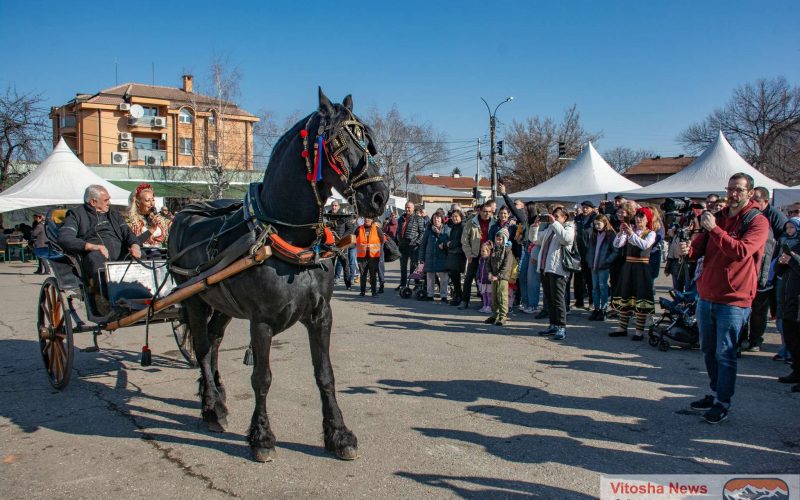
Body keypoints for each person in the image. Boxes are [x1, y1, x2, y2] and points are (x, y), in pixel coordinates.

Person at [680, 173, 770, 424]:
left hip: (734, 297)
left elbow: (740, 251)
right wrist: (688, 249)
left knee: (725, 352)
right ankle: (714, 391)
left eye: (739, 190)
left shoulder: (757, 221)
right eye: (730, 189)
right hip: (707, 293)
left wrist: (714, 229)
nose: (733, 194)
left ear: (750, 193)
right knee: (708, 350)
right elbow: (699, 249)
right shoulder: (718, 218)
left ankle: (723, 401)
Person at [58, 185, 141, 313]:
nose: (110, 203)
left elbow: (128, 234)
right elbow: (65, 238)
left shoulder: (114, 215)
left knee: (145, 258)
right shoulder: (76, 215)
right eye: (106, 200)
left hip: (121, 255)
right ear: (93, 202)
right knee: (96, 259)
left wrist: (135, 246)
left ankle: (144, 295)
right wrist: (92, 246)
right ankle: (101, 298)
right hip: (95, 256)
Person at [740, 186, 787, 352]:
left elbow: (783, 242)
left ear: (766, 201)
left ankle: (755, 340)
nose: (753, 203)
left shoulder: (775, 216)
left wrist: (775, 266)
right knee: (743, 307)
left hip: (766, 270)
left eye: (757, 200)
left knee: (759, 309)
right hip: (748, 268)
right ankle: (741, 338)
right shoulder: (748, 214)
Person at [609, 207, 656, 340]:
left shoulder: (651, 233)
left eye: (642, 217)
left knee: (641, 297)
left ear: (647, 220)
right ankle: (622, 327)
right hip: (629, 266)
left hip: (642, 267)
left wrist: (631, 233)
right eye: (637, 216)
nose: (639, 219)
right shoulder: (631, 231)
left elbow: (644, 245)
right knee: (625, 295)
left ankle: (639, 331)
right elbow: (617, 245)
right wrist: (620, 233)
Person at [536, 206, 575, 340]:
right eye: (553, 215)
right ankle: (553, 325)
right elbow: (535, 239)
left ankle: (562, 327)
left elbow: (566, 239)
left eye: (557, 216)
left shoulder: (569, 228)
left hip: (558, 269)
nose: (554, 218)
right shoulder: (550, 228)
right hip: (546, 267)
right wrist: (534, 226)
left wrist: (555, 223)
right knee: (550, 298)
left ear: (564, 218)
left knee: (558, 300)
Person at [458, 202, 496, 309]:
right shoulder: (471, 222)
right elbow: (464, 240)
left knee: (486, 278)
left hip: (488, 255)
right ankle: (464, 300)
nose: (487, 214)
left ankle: (485, 302)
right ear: (480, 211)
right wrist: (468, 253)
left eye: (489, 212)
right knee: (469, 277)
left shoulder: (494, 222)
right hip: (474, 254)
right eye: (485, 211)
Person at [586, 214, 618, 321]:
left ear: (605, 223)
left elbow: (615, 250)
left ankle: (603, 309)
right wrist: (589, 260)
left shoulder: (610, 234)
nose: (597, 226)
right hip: (593, 265)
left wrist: (607, 261)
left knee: (603, 287)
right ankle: (596, 308)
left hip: (603, 266)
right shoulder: (594, 234)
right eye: (595, 224)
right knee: (594, 288)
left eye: (599, 224)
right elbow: (590, 249)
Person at [125, 183, 171, 249]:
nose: (152, 204)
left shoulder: (160, 219)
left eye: (153, 200)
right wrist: (152, 229)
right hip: (142, 256)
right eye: (147, 201)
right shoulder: (130, 221)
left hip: (160, 255)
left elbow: (173, 225)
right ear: (138, 203)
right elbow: (132, 243)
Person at [484, 228, 515, 326]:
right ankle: (494, 315)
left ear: (505, 239)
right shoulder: (494, 249)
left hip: (502, 278)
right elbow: (488, 263)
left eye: (500, 239)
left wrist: (498, 276)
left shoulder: (508, 251)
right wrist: (489, 273)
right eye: (496, 239)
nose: (498, 241)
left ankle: (503, 316)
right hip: (494, 277)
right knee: (494, 297)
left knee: (502, 297)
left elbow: (506, 266)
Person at [419, 212, 451, 302]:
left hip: (443, 256)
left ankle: (444, 295)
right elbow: (423, 245)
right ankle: (430, 294)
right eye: (434, 218)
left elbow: (450, 243)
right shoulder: (428, 230)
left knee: (444, 277)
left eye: (438, 218)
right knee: (430, 277)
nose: (436, 220)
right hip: (430, 256)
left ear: (442, 219)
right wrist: (421, 258)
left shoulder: (447, 230)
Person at [396, 202, 425, 290]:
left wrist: (417, 242)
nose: (407, 209)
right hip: (402, 245)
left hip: (413, 246)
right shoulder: (401, 218)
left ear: (413, 208)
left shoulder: (418, 218)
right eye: (406, 207)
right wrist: (397, 240)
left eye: (409, 207)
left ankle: (416, 284)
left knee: (414, 266)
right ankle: (402, 284)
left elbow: (422, 232)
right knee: (403, 266)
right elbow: (398, 230)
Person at [573, 200, 597, 309]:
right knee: (578, 278)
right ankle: (579, 301)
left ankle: (592, 301)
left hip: (590, 251)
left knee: (590, 278)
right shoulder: (578, 218)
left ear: (592, 208)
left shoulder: (595, 218)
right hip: (579, 250)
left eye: (587, 207)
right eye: (583, 207)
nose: (585, 209)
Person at [355, 216, 384, 297]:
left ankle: (374, 292)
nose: (367, 219)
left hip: (373, 256)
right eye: (366, 218)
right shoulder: (358, 229)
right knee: (363, 274)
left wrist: (375, 248)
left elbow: (382, 240)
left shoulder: (377, 229)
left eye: (369, 218)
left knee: (373, 274)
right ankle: (362, 292)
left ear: (372, 220)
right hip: (362, 256)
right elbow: (353, 239)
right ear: (363, 219)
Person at [328, 201, 354, 289]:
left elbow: (350, 228)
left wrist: (343, 238)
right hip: (330, 244)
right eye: (333, 205)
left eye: (335, 205)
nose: (334, 207)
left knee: (345, 263)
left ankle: (348, 284)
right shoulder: (327, 216)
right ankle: (329, 284)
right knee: (329, 264)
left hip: (341, 244)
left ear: (339, 206)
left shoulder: (343, 216)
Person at [446, 209, 466, 305]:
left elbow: (460, 240)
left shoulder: (462, 226)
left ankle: (459, 297)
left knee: (456, 278)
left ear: (460, 217)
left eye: (456, 216)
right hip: (453, 254)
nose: (454, 218)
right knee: (454, 277)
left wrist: (449, 244)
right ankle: (458, 296)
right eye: (453, 216)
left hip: (458, 254)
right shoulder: (454, 226)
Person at [476, 242, 493, 313]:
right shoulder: (481, 260)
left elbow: (492, 270)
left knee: (488, 294)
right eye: (481, 251)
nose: (482, 253)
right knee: (483, 294)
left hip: (488, 281)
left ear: (488, 252)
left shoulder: (490, 260)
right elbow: (479, 269)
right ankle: (484, 305)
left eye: (483, 251)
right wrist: (477, 276)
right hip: (482, 280)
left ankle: (489, 306)